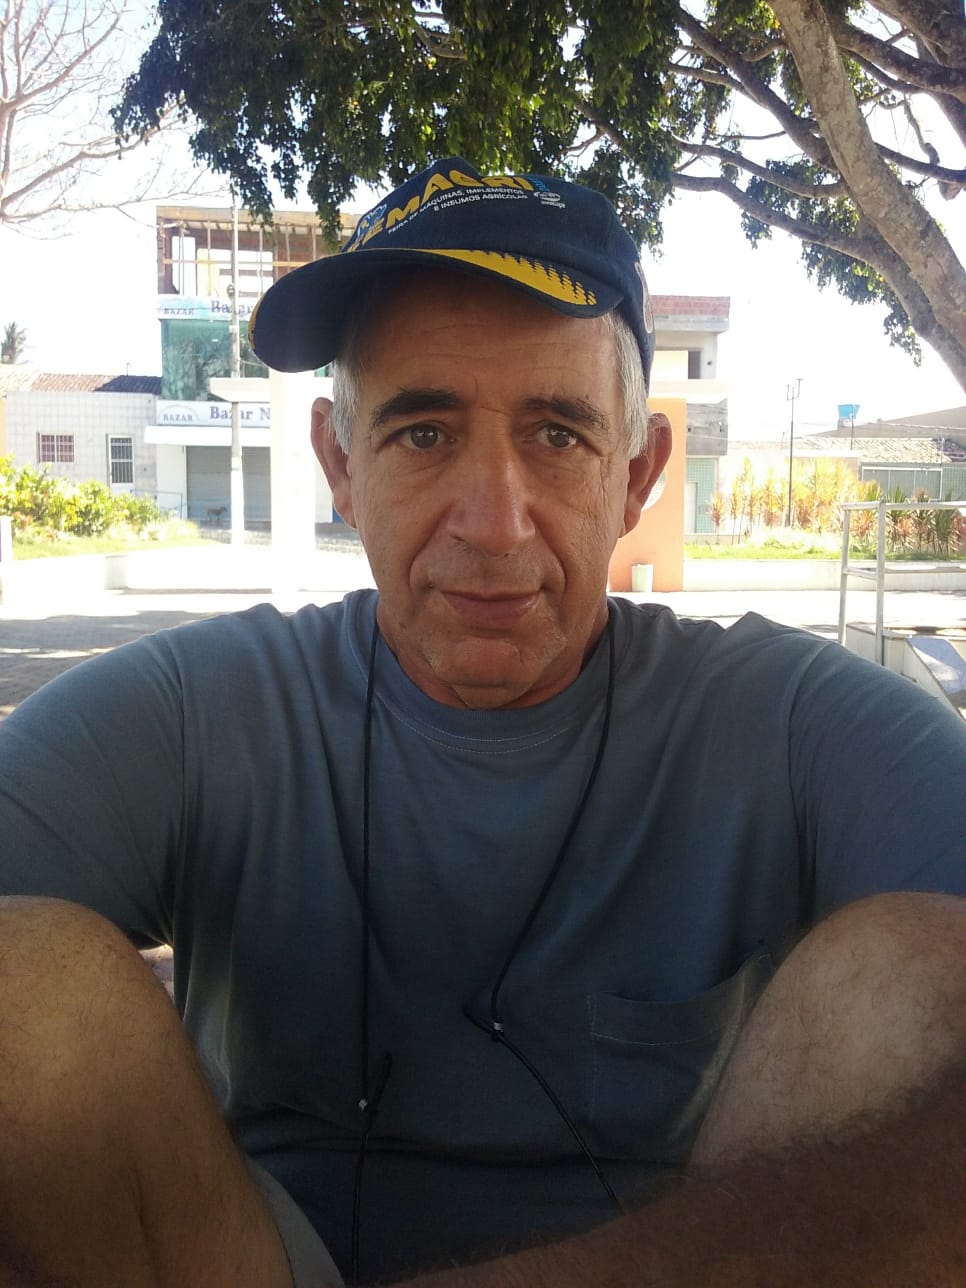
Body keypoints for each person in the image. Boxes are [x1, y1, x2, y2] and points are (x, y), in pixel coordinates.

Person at [0, 155, 963, 1288]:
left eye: (557, 435)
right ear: (341, 463)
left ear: (637, 473)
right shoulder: (201, 712)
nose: (494, 524)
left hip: (690, 1259)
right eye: (424, 433)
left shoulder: (787, 722)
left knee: (915, 975)